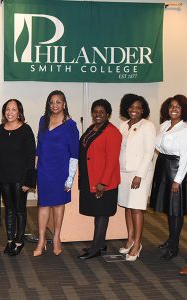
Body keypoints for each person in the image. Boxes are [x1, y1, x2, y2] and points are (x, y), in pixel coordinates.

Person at [34, 90, 79, 257]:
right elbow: (39, 148)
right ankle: (41, 240)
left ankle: (57, 238)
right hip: (44, 170)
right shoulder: (42, 120)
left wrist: (70, 178)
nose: (54, 105)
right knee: (43, 205)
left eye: (58, 102)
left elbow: (74, 153)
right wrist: (35, 170)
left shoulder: (71, 125)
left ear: (64, 104)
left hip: (61, 171)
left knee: (58, 205)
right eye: (51, 102)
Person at [78, 99, 121, 260]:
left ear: (108, 114)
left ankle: (96, 248)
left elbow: (112, 160)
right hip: (92, 178)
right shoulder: (92, 128)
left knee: (102, 214)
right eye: (95, 111)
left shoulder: (112, 132)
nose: (97, 114)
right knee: (97, 213)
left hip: (104, 182)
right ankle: (100, 243)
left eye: (101, 112)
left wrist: (103, 183)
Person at [117, 94, 156, 261]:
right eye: (131, 107)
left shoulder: (147, 126)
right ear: (127, 108)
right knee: (127, 205)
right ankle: (130, 238)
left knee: (136, 208)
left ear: (143, 110)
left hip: (139, 173)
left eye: (138, 108)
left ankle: (138, 243)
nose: (134, 110)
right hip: (123, 171)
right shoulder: (123, 125)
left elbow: (149, 152)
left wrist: (139, 175)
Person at [0, 99, 36, 256]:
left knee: (20, 210)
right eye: (7, 109)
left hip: (20, 178)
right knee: (9, 210)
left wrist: (28, 181)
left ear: (19, 112)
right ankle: (10, 240)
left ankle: (19, 241)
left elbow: (31, 156)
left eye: (13, 109)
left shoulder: (26, 130)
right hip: (5, 177)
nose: (10, 112)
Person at [150, 94, 187, 260]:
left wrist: (177, 180)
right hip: (163, 166)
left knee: (176, 211)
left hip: (176, 169)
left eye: (178, 107)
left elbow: (185, 157)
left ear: (183, 110)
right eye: (171, 106)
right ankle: (171, 239)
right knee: (168, 208)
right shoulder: (165, 125)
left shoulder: (184, 129)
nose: (174, 109)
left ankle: (174, 246)